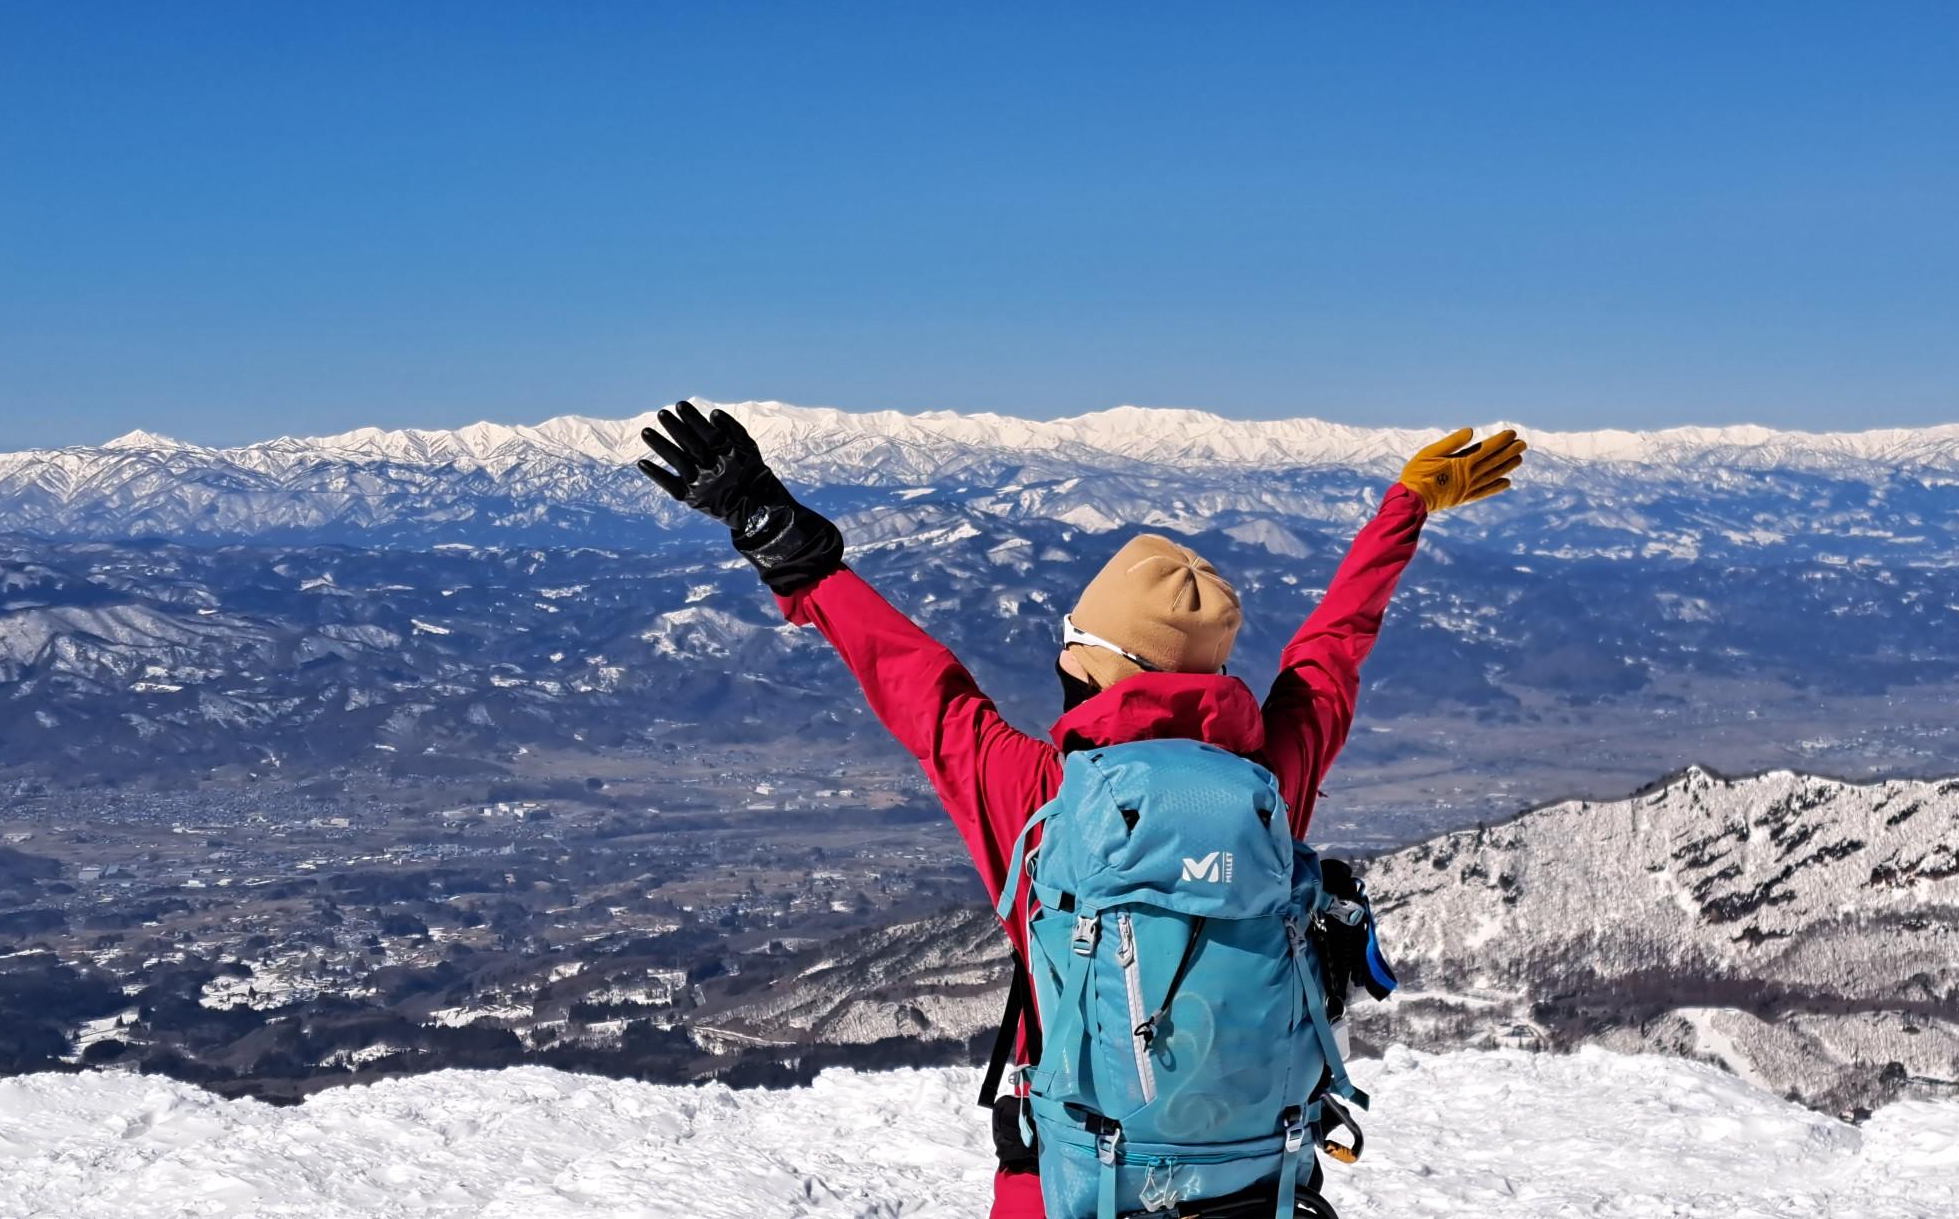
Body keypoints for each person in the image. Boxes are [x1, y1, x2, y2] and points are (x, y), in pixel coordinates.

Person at [637, 401, 1524, 1218]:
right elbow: (1332, 650)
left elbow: (917, 679)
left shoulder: (1038, 795)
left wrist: (781, 538)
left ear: (1091, 664)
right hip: (1257, 1189)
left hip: (1068, 1186)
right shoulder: (1269, 784)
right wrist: (1405, 508)